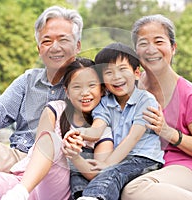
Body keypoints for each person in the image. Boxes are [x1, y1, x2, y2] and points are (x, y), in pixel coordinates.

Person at [0, 58, 114, 200]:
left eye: (91, 85)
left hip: (53, 189)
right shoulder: (55, 109)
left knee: (53, 140)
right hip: (23, 180)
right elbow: (39, 147)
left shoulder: (103, 128)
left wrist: (74, 156)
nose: (85, 93)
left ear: (102, 89)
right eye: (77, 86)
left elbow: (95, 172)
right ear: (67, 91)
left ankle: (19, 194)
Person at [0, 5, 83, 172]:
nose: (55, 47)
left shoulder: (88, 84)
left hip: (55, 169)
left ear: (78, 46)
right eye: (47, 41)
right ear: (39, 49)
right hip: (16, 159)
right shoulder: (28, 81)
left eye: (63, 40)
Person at [121, 14, 192, 200]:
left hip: (180, 169)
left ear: (173, 48)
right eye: (143, 43)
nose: (151, 49)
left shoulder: (190, 94)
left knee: (132, 191)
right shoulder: (129, 88)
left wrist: (167, 131)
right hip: (139, 167)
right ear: (136, 51)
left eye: (159, 41)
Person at [69, 42, 164, 200]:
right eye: (108, 72)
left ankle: (94, 197)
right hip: (119, 159)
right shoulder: (105, 103)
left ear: (136, 73)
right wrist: (77, 133)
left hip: (144, 159)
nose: (116, 77)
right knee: (81, 169)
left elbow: (132, 138)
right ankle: (82, 196)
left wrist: (108, 164)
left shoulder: (145, 100)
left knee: (113, 173)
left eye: (122, 69)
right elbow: (96, 130)